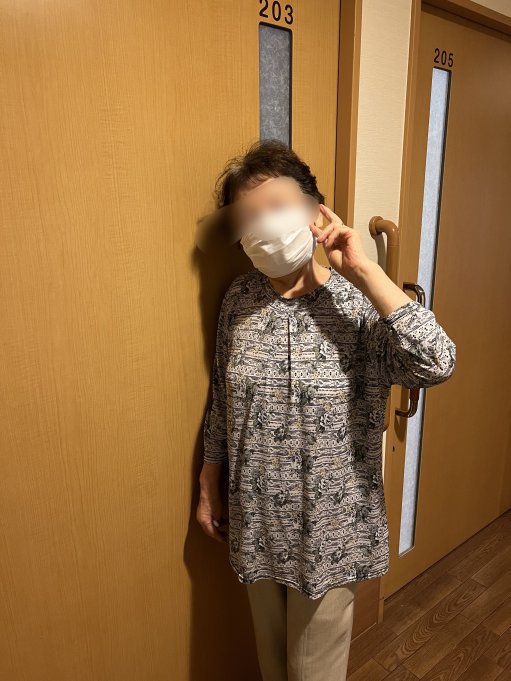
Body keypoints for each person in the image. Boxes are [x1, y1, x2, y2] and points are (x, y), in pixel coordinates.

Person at [196, 139, 456, 681]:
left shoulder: (358, 304)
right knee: (273, 666)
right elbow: (223, 399)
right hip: (255, 520)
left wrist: (365, 271)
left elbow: (437, 362)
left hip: (330, 529)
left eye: (276, 207)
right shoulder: (239, 299)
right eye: (248, 216)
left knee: (312, 673)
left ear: (316, 212)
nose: (263, 225)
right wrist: (209, 478)